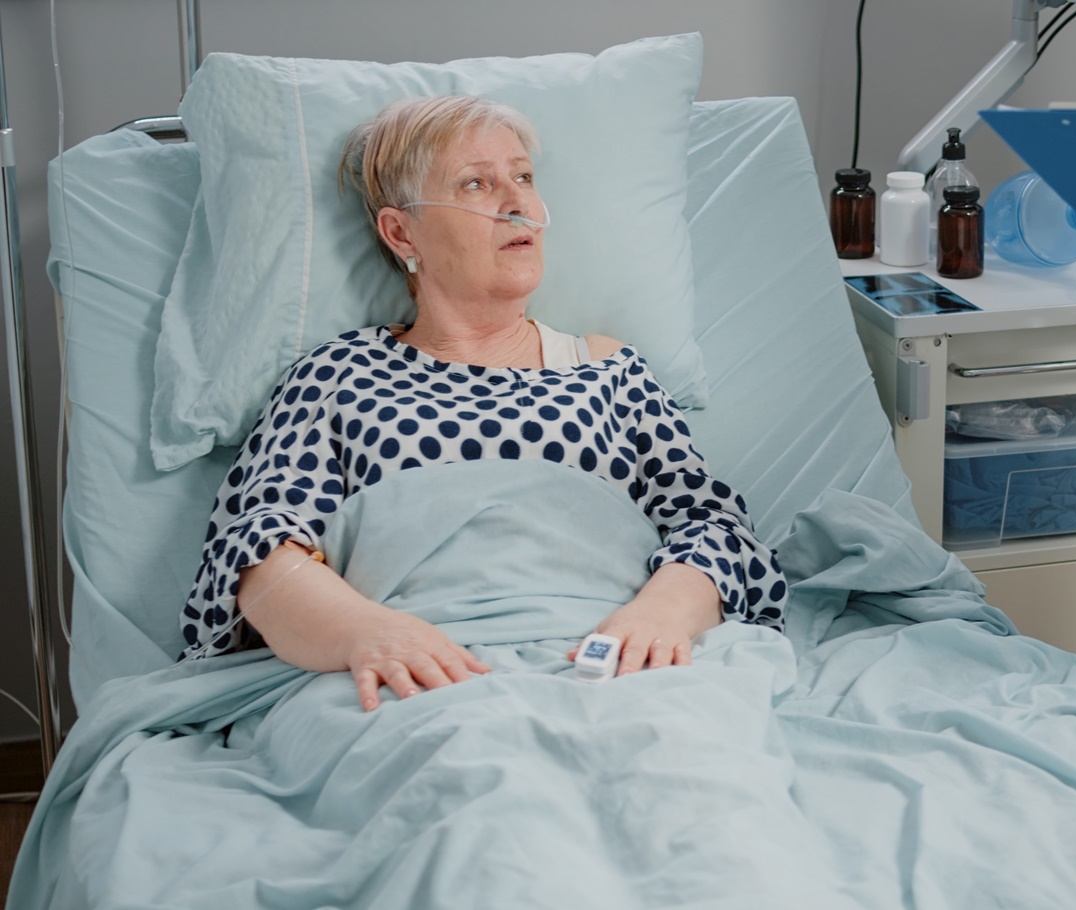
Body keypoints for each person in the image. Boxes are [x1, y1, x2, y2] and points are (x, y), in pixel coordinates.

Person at [178, 96, 787, 711]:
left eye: (523, 177)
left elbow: (713, 527)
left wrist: (661, 614)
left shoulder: (606, 369)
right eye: (476, 183)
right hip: (414, 681)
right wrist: (368, 634)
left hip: (609, 668)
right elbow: (257, 551)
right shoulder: (337, 375)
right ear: (401, 232)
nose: (519, 203)